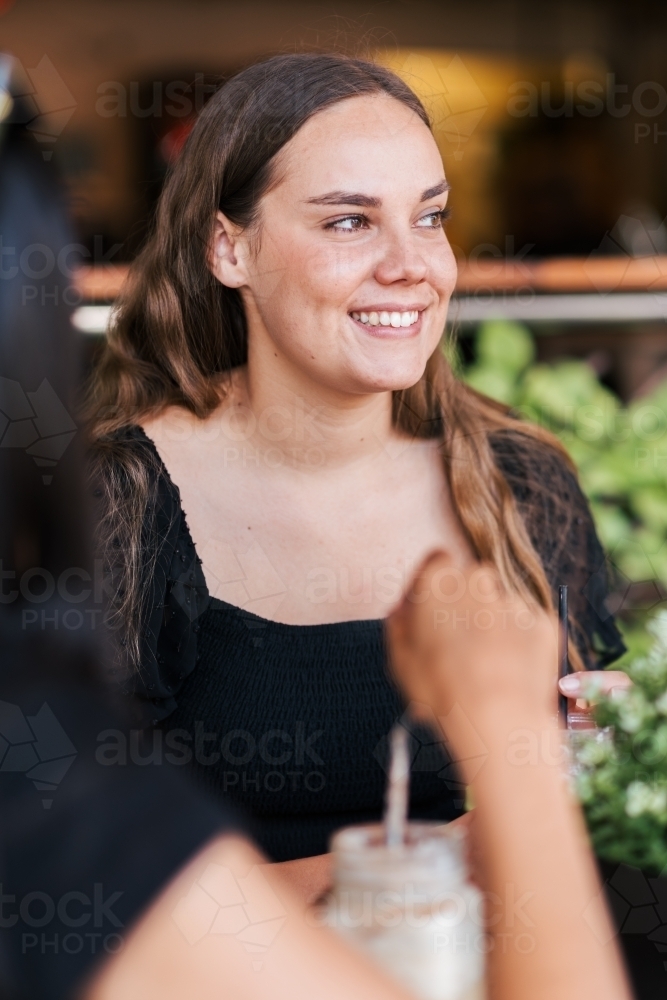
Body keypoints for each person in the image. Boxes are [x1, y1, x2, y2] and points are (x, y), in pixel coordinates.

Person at [86, 53, 628, 899]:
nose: (411, 265)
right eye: (348, 222)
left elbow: (576, 819)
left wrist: (610, 752)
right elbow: (77, 887)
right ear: (228, 248)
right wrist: (425, 863)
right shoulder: (120, 504)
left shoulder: (521, 483)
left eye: (430, 216)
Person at [88, 554, 632, 1000]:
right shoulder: (126, 500)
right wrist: (506, 805)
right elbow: (115, 914)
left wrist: (616, 769)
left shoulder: (523, 482)